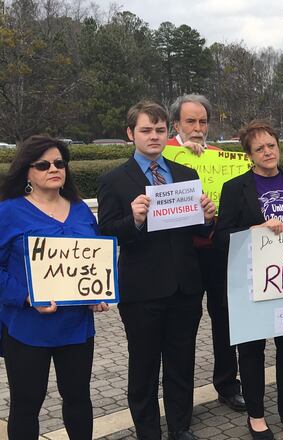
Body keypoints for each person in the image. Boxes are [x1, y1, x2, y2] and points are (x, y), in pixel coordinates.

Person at [97, 101, 216, 440]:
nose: (154, 136)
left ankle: (180, 426)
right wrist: (132, 221)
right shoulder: (114, 181)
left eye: (160, 130)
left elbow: (199, 233)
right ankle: (147, 431)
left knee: (181, 364)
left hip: (184, 289)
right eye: (146, 130)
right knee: (144, 368)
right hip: (142, 292)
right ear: (130, 133)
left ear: (169, 132)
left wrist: (207, 218)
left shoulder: (186, 175)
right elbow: (105, 234)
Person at [0, 135, 109, 440]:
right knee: (26, 403)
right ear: (27, 171)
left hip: (76, 326)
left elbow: (95, 260)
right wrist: (25, 296)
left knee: (78, 399)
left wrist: (97, 294)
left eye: (60, 163)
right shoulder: (8, 212)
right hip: (27, 327)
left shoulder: (81, 210)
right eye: (44, 164)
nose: (54, 168)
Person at [216, 120, 283, 440]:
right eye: (259, 148)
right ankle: (256, 415)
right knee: (251, 350)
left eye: (271, 145)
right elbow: (221, 237)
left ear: (278, 146)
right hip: (252, 282)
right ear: (249, 155)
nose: (267, 152)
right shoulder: (235, 188)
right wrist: (254, 231)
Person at [167, 94, 246, 412]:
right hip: (181, 253)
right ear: (176, 124)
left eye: (202, 122)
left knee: (225, 319)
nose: (198, 128)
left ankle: (227, 384)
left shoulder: (220, 157)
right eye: (190, 121)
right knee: (182, 326)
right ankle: (179, 401)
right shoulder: (165, 154)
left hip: (218, 250)